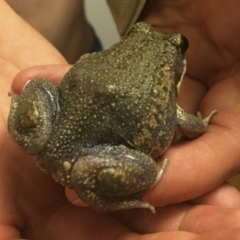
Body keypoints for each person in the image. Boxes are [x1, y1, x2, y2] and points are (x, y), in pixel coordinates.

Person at [1, 0, 240, 239]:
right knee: (148, 169)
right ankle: (102, 193)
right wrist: (203, 122)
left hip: (48, 137)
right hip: (82, 162)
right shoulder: (166, 92)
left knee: (40, 85)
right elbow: (192, 127)